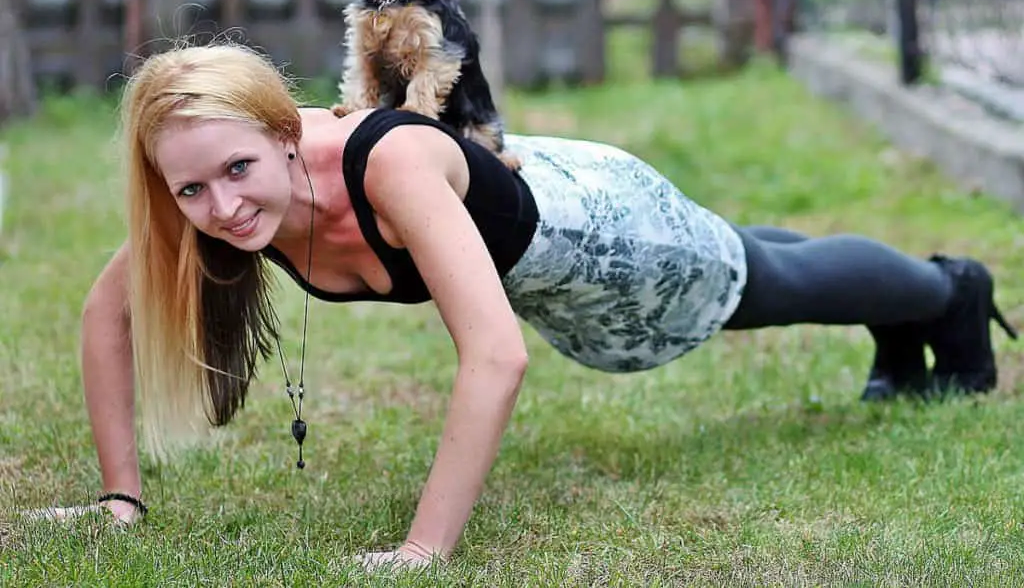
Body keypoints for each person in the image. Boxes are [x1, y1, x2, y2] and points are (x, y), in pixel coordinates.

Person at [68, 42, 1015, 568]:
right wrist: (121, 498)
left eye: (238, 169)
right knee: (753, 256)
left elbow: (496, 356)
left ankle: (950, 294)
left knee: (761, 285)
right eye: (190, 190)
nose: (223, 209)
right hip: (543, 218)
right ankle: (908, 316)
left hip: (599, 240)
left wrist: (421, 549)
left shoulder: (385, 161)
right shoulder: (205, 192)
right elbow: (105, 317)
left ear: (284, 132)